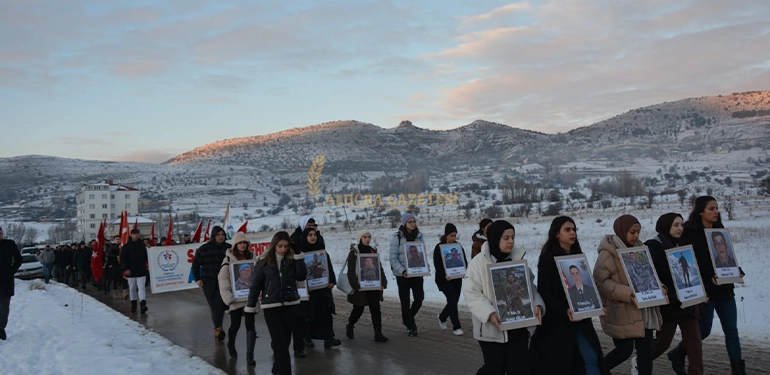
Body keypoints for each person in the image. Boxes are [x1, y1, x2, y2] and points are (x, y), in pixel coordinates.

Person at [671, 196, 746, 375]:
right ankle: (678, 353)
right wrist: (707, 277)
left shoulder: (720, 231)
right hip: (706, 291)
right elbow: (689, 262)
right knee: (703, 330)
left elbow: (726, 259)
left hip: (725, 289)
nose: (716, 211)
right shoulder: (690, 233)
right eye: (711, 208)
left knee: (731, 330)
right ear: (701, 211)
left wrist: (737, 270)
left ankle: (738, 370)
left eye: (716, 208)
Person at [463, 220, 544, 374]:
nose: (511, 242)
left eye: (513, 237)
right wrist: (489, 313)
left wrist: (537, 303)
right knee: (495, 368)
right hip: (492, 329)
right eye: (506, 238)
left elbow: (530, 287)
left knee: (518, 368)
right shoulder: (478, 263)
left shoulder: (518, 260)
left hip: (518, 326)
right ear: (495, 238)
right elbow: (472, 293)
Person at [530, 216, 607, 375]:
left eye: (574, 229)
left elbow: (586, 284)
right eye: (567, 230)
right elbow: (544, 291)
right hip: (559, 322)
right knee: (563, 364)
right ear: (557, 233)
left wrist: (595, 304)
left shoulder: (578, 255)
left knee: (591, 357)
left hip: (581, 317)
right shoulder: (547, 258)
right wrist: (564, 310)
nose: (572, 233)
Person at [594, 214, 663, 375]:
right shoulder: (608, 253)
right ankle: (595, 371)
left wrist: (660, 287)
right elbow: (600, 282)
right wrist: (628, 293)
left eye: (638, 232)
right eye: (632, 232)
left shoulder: (640, 250)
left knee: (646, 351)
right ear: (622, 230)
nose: (636, 236)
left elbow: (649, 275)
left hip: (643, 310)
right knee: (623, 351)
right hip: (622, 311)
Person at [646, 212, 703, 375]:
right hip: (668, 306)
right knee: (662, 344)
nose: (680, 228)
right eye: (676, 225)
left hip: (686, 304)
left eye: (681, 224)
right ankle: (641, 362)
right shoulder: (653, 246)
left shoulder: (683, 245)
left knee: (695, 346)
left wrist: (699, 291)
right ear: (666, 226)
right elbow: (652, 275)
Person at [245, 231, 307, 374]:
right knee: (279, 343)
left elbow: (301, 276)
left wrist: (298, 255)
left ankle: (277, 369)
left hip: (290, 304)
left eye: (286, 246)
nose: (283, 249)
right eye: (280, 246)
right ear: (274, 245)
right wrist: (250, 307)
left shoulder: (292, 259)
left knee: (284, 343)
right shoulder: (264, 261)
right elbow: (255, 285)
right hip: (271, 306)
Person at [218, 232, 259, 363]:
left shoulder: (253, 259)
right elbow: (223, 280)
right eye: (240, 243)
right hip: (236, 299)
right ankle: (231, 343)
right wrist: (228, 298)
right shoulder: (228, 261)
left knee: (250, 325)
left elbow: (259, 277)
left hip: (250, 298)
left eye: (244, 243)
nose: (242, 245)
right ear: (235, 245)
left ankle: (250, 355)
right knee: (235, 324)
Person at [300, 227, 341, 349]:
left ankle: (328, 338)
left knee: (325, 313)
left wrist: (332, 281)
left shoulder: (322, 251)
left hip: (323, 289)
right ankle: (307, 338)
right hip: (310, 291)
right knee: (309, 315)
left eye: (314, 234)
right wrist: (304, 287)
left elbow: (329, 267)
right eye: (310, 235)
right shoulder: (301, 253)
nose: (313, 237)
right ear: (305, 237)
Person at [345, 230, 388, 342]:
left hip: (373, 286)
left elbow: (379, 268)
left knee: (376, 309)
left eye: (369, 237)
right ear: (360, 238)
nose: (367, 239)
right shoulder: (354, 253)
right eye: (365, 237)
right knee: (358, 309)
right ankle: (350, 324)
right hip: (360, 287)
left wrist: (383, 282)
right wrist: (356, 285)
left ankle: (378, 333)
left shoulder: (372, 251)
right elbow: (350, 271)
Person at [389, 213, 426, 337]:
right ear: (404, 223)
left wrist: (424, 268)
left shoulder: (419, 236)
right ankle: (411, 326)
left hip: (417, 274)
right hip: (403, 276)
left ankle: (407, 318)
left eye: (414, 221)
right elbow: (393, 258)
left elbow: (422, 255)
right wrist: (402, 271)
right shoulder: (397, 237)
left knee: (419, 298)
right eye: (410, 222)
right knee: (405, 301)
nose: (412, 224)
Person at [192, 225, 231, 341]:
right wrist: (198, 279)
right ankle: (218, 328)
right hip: (208, 282)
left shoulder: (229, 249)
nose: (221, 237)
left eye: (223, 235)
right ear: (213, 236)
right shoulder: (204, 249)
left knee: (219, 304)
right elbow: (195, 265)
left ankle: (218, 328)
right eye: (218, 235)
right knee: (215, 306)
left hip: (225, 282)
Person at [433, 223, 468, 336]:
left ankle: (442, 317)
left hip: (457, 278)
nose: (453, 238)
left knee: (454, 300)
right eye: (451, 235)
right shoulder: (439, 247)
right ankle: (456, 327)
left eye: (455, 236)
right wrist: (444, 275)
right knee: (452, 300)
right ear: (446, 235)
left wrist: (464, 271)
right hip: (444, 279)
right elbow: (437, 264)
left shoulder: (458, 246)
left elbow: (464, 260)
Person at [0, 227, 22, 340]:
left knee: (4, 307)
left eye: (0, 233)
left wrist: (11, 271)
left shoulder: (9, 244)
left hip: (6, 281)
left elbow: (19, 259)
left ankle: (1, 328)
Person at [120, 229, 149, 314]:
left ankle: (143, 304)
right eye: (134, 234)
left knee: (141, 287)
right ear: (131, 235)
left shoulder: (142, 245)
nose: (136, 235)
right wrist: (126, 269)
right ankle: (133, 304)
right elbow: (123, 259)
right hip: (131, 271)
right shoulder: (126, 246)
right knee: (132, 288)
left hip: (141, 270)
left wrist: (149, 250)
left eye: (137, 234)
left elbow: (146, 257)